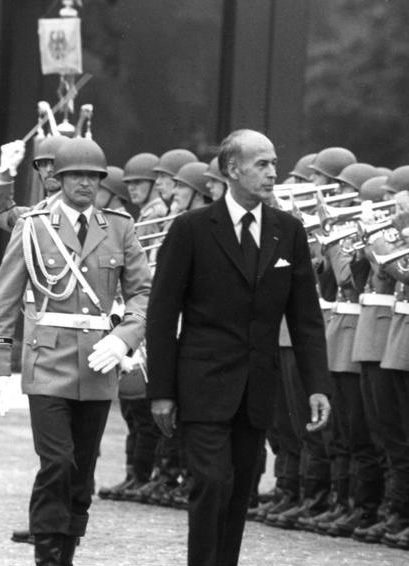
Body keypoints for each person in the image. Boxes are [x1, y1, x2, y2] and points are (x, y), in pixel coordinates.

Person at [146, 129, 331, 565]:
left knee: (239, 491)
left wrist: (317, 386)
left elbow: (305, 318)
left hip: (256, 388)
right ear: (232, 169)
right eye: (262, 164)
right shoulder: (191, 229)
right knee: (211, 482)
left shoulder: (288, 231)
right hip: (203, 384)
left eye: (273, 163)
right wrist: (162, 391)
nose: (273, 172)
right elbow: (161, 313)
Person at [0, 137, 152, 566]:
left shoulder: (119, 226)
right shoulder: (35, 224)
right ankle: (47, 555)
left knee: (82, 473)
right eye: (76, 176)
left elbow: (144, 293)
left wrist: (125, 337)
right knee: (56, 461)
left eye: (93, 177)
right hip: (48, 360)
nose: (85, 184)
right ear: (58, 179)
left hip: (99, 361)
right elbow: (4, 297)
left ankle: (67, 551)